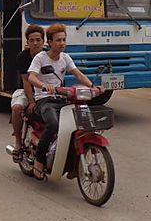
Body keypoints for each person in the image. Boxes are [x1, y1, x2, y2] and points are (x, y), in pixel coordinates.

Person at [27, 23, 101, 181]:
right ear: (50, 42)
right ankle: (39, 161)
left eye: (64, 40)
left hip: (61, 99)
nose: (62, 43)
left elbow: (78, 74)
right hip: (44, 101)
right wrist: (44, 86)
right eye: (58, 40)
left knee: (82, 124)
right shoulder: (41, 58)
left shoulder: (65, 58)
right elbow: (31, 77)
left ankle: (72, 163)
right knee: (53, 125)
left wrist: (93, 87)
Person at [9, 24, 45, 160]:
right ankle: (18, 143)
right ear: (27, 42)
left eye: (38, 40)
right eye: (32, 40)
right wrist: (31, 101)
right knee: (17, 107)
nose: (35, 43)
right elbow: (26, 81)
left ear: (43, 41)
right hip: (26, 90)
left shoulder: (50, 55)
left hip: (45, 91)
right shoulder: (22, 57)